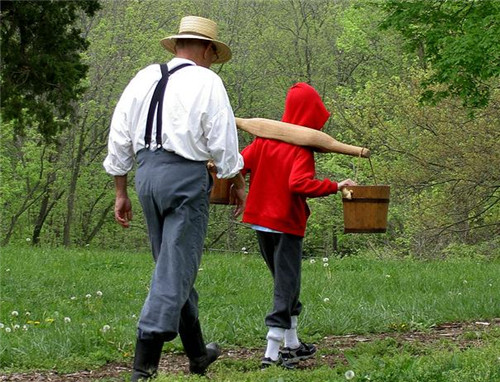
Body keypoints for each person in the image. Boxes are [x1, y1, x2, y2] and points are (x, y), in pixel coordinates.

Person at [103, 15, 246, 381]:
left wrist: (121, 190)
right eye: (214, 54)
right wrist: (236, 181)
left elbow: (119, 134)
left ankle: (197, 354)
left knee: (173, 267)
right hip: (184, 180)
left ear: (179, 44)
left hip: (146, 177)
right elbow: (223, 141)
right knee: (174, 270)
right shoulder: (207, 81)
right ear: (207, 49)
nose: (213, 61)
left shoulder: (144, 76)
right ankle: (143, 362)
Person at [240, 82, 356, 369]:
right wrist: (335, 185)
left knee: (285, 282)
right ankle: (272, 350)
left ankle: (291, 343)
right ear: (311, 114)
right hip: (286, 223)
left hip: (260, 221)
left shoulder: (263, 141)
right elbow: (299, 184)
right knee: (286, 284)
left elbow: (238, 164)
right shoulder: (301, 150)